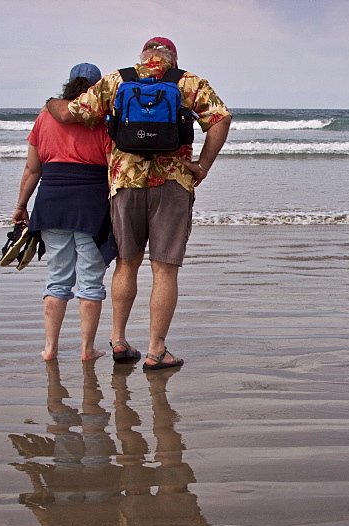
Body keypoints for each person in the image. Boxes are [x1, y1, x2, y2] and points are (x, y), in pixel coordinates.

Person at [45, 37, 231, 371]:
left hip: (124, 182)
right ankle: (156, 350)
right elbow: (221, 119)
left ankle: (118, 340)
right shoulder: (188, 82)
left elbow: (73, 112)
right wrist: (202, 165)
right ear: (172, 59)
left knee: (127, 264)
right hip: (173, 183)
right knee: (164, 267)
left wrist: (50, 102)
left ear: (142, 56)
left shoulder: (118, 79)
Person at [14, 63, 115, 362]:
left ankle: (50, 348)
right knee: (90, 280)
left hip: (52, 201)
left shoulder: (45, 117)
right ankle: (86, 349)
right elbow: (113, 169)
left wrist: (21, 205)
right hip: (91, 204)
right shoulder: (103, 120)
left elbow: (33, 168)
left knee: (57, 278)